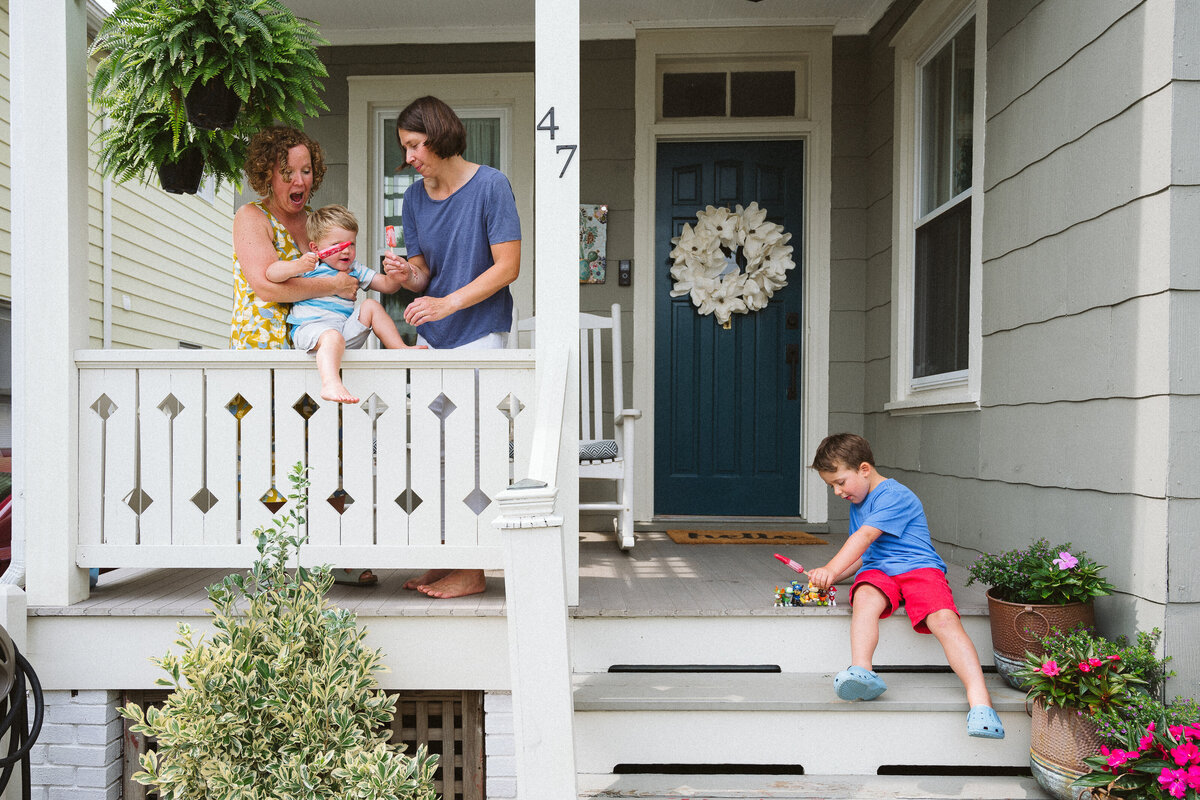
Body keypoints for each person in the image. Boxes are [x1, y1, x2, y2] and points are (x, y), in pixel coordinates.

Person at [382, 95, 521, 598]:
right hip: (434, 340)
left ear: (440, 136)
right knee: (436, 455)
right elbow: (422, 279)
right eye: (405, 147)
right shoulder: (415, 197)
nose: (411, 156)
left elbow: (507, 267)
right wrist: (406, 274)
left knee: (475, 453)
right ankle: (450, 558)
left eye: (416, 145)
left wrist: (447, 304)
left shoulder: (491, 185)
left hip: (481, 334)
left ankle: (475, 568)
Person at [230, 127, 376, 586]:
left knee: (330, 450)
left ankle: (338, 551)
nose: (299, 180)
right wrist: (333, 285)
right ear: (266, 174)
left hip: (316, 347)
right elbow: (266, 284)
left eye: (306, 170)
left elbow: (354, 272)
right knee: (269, 456)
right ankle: (274, 559)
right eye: (286, 171)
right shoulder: (250, 217)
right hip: (264, 349)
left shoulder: (317, 223)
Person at [805, 433, 1005, 739]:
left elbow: (863, 539)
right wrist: (833, 577)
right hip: (879, 570)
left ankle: (980, 702)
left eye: (840, 482)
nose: (837, 491)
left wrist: (831, 567)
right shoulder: (858, 501)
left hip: (918, 569)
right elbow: (864, 555)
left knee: (943, 619)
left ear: (864, 469)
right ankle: (862, 671)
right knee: (864, 598)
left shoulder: (892, 495)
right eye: (831, 485)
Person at [267, 204, 423, 404]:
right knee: (331, 337)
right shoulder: (309, 264)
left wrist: (395, 275)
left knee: (371, 306)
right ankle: (331, 383)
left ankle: (398, 347)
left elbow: (386, 286)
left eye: (351, 244)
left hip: (343, 332)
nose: (347, 251)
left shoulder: (355, 269)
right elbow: (271, 273)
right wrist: (296, 266)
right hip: (311, 330)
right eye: (338, 245)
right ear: (316, 248)